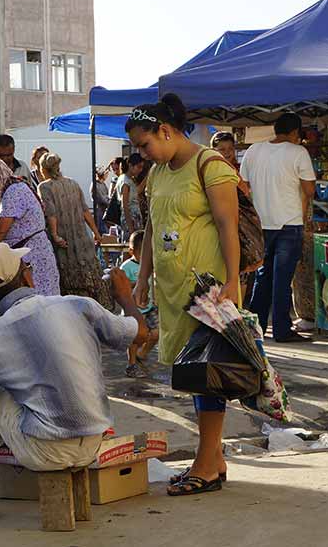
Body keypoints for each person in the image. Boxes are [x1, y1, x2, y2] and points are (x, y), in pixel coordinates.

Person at [0, 243, 145, 521]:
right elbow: (142, 333)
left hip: (46, 451)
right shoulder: (76, 305)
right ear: (27, 278)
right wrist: (125, 296)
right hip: (94, 441)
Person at [125, 94, 241, 496]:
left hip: (208, 292)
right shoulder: (158, 174)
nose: (142, 153)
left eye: (145, 144)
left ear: (167, 131)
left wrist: (233, 283)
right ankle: (214, 457)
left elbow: (228, 226)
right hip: (173, 292)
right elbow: (154, 229)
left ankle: (206, 462)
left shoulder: (210, 166)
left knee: (209, 374)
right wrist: (143, 277)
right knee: (194, 375)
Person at [239, 112, 316, 343]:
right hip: (289, 223)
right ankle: (282, 329)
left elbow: (243, 185)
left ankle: (257, 326)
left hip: (261, 224)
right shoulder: (298, 152)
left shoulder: (253, 150)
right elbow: (310, 191)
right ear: (295, 133)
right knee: (282, 279)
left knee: (263, 277)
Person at [0, 158, 60, 297]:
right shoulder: (17, 186)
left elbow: (0, 230)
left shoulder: (13, 191)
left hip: (31, 255)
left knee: (36, 299)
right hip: (35, 251)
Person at [37, 152, 112, 308]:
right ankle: (102, 309)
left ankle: (78, 315)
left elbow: (51, 213)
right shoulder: (73, 183)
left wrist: (55, 235)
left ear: (43, 169)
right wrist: (96, 233)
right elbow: (85, 211)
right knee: (92, 275)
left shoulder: (44, 187)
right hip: (82, 239)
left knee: (70, 281)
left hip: (65, 242)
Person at [121, 230, 159, 377]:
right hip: (133, 310)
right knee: (134, 338)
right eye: (141, 253)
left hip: (149, 308)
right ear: (131, 251)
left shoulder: (151, 266)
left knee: (156, 333)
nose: (145, 258)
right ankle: (131, 364)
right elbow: (121, 285)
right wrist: (137, 283)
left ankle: (141, 354)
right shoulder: (127, 266)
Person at [115, 155, 145, 239]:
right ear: (131, 166)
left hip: (134, 220)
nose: (140, 170)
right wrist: (131, 228)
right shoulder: (125, 181)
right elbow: (124, 206)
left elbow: (137, 191)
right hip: (130, 221)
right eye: (138, 167)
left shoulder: (129, 179)